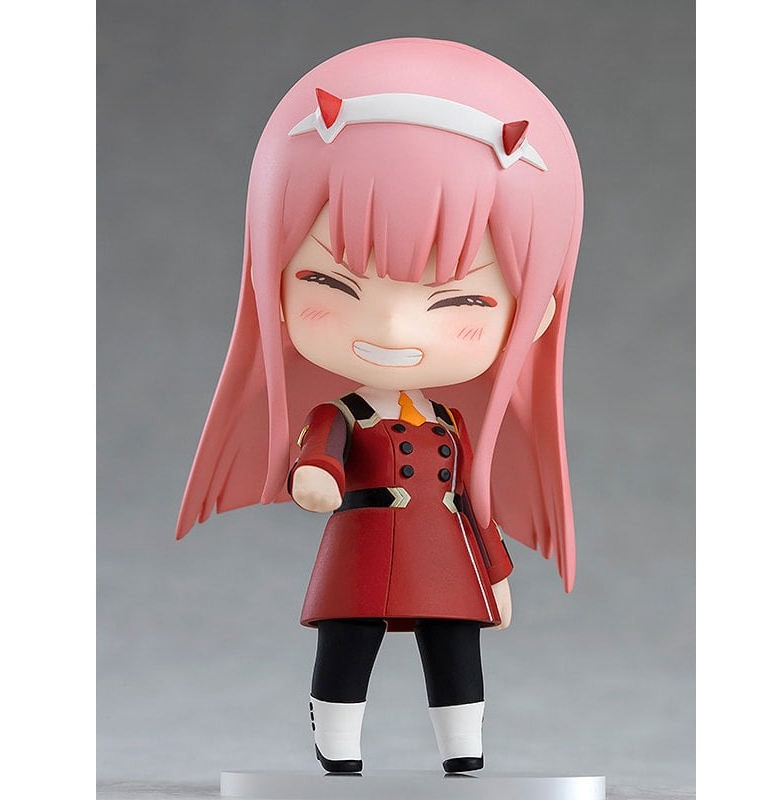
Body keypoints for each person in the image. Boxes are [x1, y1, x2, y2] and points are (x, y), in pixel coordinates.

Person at [177, 37, 584, 774]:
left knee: (454, 647)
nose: (394, 330)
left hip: (446, 558)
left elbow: (473, 499)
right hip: (361, 548)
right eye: (333, 285)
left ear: (538, 315)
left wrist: (495, 571)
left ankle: (464, 752)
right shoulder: (340, 415)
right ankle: (338, 749)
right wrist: (316, 477)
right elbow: (318, 458)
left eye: (459, 300)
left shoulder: (452, 425)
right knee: (348, 642)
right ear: (271, 276)